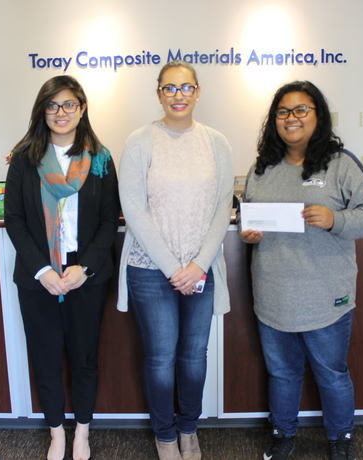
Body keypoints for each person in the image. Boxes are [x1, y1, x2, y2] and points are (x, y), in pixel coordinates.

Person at [240, 81, 363, 460]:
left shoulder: (341, 164)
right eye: (283, 112)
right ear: (274, 121)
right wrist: (250, 234)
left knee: (332, 374)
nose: (292, 118)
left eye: (301, 110)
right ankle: (282, 434)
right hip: (274, 294)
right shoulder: (262, 168)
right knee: (282, 374)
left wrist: (335, 218)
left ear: (318, 115)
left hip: (326, 294)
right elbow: (248, 220)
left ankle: (341, 440)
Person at [116, 60, 233, 460]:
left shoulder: (216, 142)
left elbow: (223, 208)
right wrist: (172, 269)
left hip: (201, 270)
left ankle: (188, 429)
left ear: (198, 91)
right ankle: (165, 435)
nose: (178, 95)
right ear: (158, 93)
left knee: (194, 358)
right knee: (161, 358)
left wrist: (198, 265)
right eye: (170, 88)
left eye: (186, 87)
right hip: (151, 271)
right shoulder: (140, 141)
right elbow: (133, 208)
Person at [5, 75, 119, 460]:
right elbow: (14, 219)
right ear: (43, 111)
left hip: (85, 274)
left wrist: (84, 266)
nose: (61, 112)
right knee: (46, 354)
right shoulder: (25, 158)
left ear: (82, 108)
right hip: (40, 275)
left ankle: (82, 431)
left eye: (69, 104)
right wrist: (43, 270)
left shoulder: (100, 158)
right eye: (53, 105)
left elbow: (108, 221)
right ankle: (57, 432)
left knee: (85, 355)